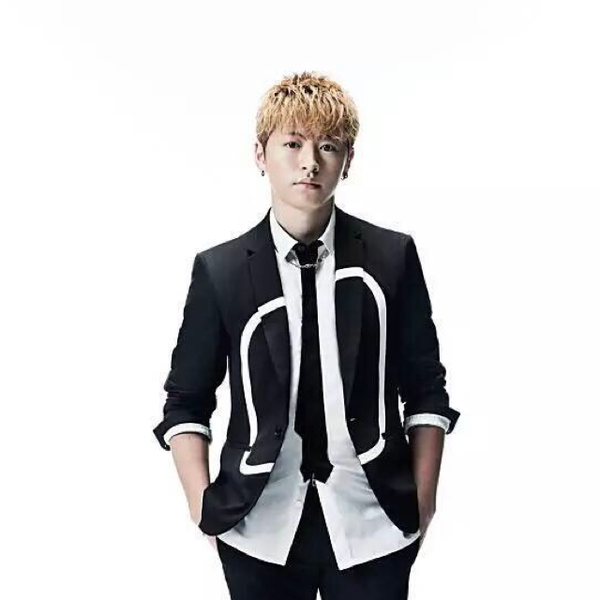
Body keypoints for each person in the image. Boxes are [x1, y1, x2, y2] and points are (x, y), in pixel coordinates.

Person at [153, 70, 460, 600]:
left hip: (375, 523)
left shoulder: (392, 257)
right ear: (260, 153)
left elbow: (426, 388)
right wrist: (201, 504)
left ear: (349, 160)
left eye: (329, 146)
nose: (310, 162)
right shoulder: (221, 270)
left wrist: (423, 500)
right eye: (292, 144)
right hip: (257, 526)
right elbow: (186, 400)